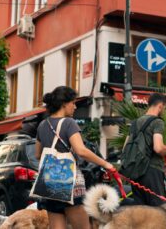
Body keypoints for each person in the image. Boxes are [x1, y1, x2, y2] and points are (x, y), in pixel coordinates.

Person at [35, 86, 114, 229]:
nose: (75, 106)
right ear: (64, 104)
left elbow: (37, 155)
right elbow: (81, 150)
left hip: (49, 183)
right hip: (70, 183)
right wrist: (106, 164)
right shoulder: (69, 123)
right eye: (73, 102)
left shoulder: (42, 125)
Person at [123, 93, 166, 206]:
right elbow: (158, 148)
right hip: (152, 171)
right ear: (160, 105)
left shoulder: (135, 123)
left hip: (136, 172)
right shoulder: (157, 122)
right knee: (158, 211)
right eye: (164, 108)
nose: (164, 111)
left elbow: (125, 148)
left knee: (141, 211)